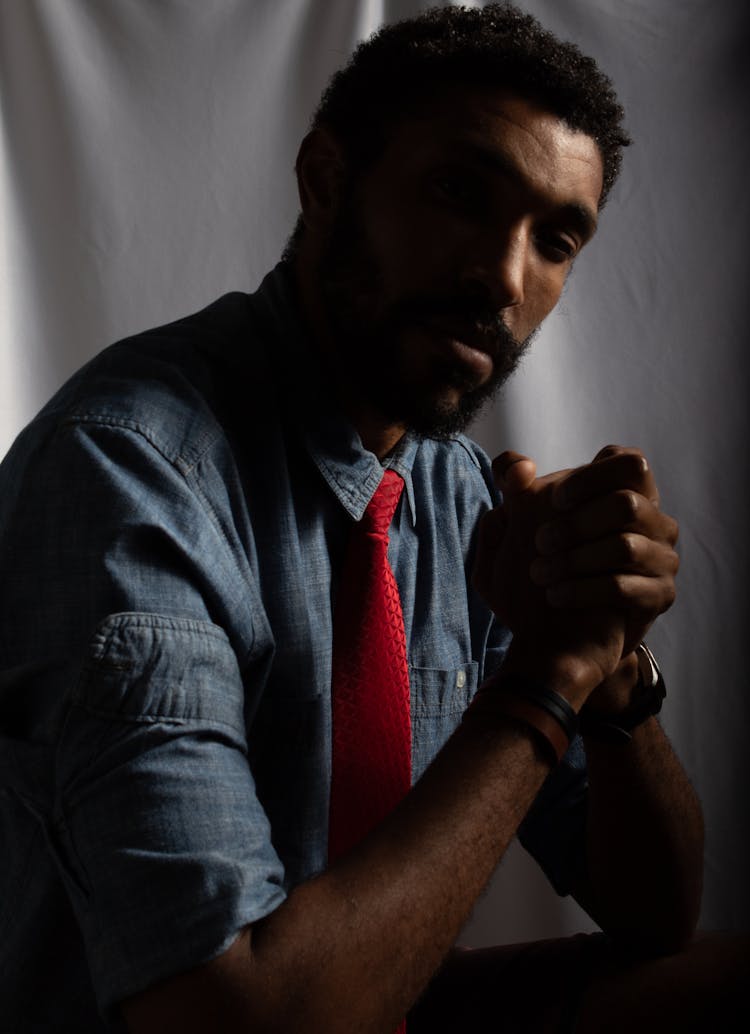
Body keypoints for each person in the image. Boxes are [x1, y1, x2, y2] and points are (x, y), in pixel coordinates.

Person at [0, 4, 744, 1032]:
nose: (504, 276)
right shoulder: (128, 472)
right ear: (326, 179)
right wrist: (544, 678)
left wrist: (611, 671)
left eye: (555, 238)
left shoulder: (464, 495)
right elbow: (238, 1019)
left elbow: (656, 910)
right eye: (459, 193)